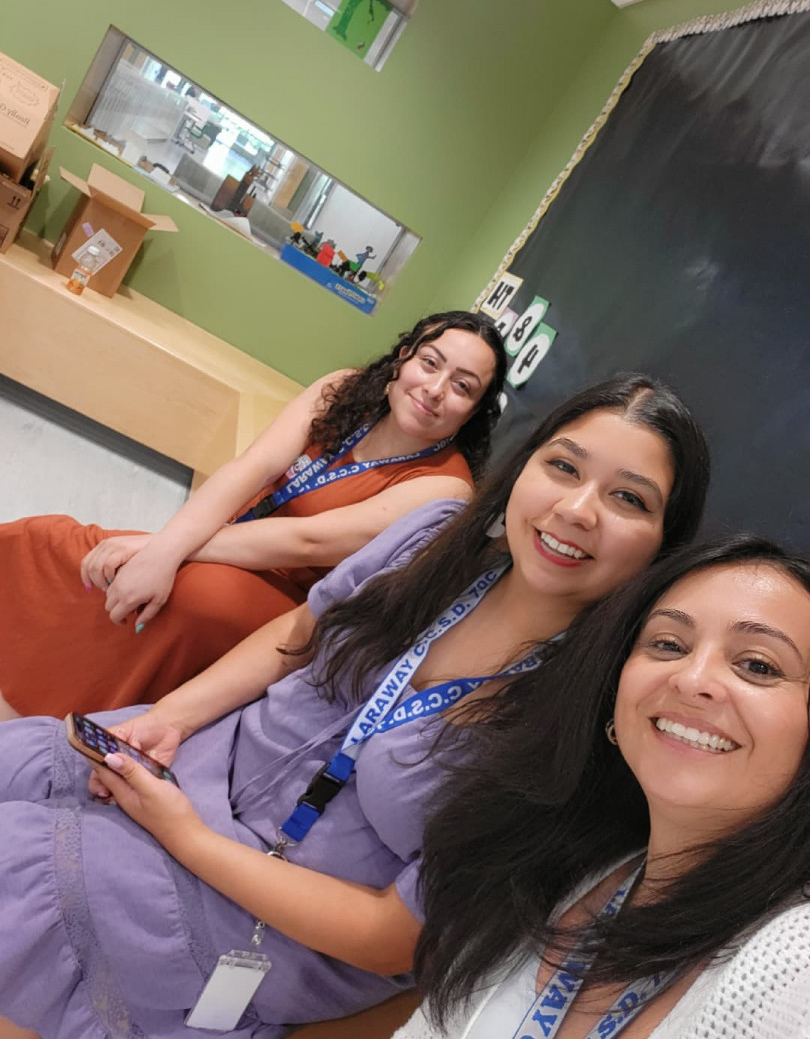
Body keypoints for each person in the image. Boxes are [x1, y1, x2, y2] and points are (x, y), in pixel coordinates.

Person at [0, 373, 710, 1038]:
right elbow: (299, 633)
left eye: (629, 499)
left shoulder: (582, 725)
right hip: (192, 766)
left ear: (662, 549)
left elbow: (389, 938)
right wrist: (170, 718)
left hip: (258, 917)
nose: (577, 510)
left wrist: (185, 837)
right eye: (563, 466)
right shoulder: (434, 538)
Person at [398, 535, 810, 1039]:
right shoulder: (558, 868)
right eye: (669, 645)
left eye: (759, 665)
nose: (691, 679)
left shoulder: (795, 960)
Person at [0, 311, 506, 720]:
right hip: (229, 541)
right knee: (52, 539)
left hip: (291, 603)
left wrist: (165, 549)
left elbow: (307, 542)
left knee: (191, 595)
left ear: (474, 411)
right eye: (429, 363)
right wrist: (165, 547)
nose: (435, 388)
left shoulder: (446, 487)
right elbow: (253, 466)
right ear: (403, 357)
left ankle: (66, 718)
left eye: (462, 386)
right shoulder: (346, 390)